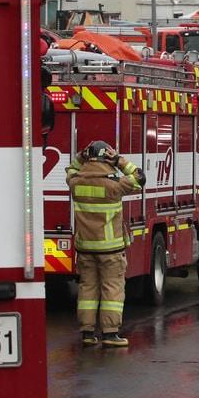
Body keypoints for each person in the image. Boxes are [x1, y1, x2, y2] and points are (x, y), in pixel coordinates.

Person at [67, 140, 145, 347]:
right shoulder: (115, 185)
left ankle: (87, 333)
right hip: (110, 249)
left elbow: (72, 169)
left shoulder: (75, 182)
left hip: (85, 247)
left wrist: (81, 158)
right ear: (106, 158)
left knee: (87, 289)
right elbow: (139, 177)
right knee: (112, 288)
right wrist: (119, 161)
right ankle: (110, 334)